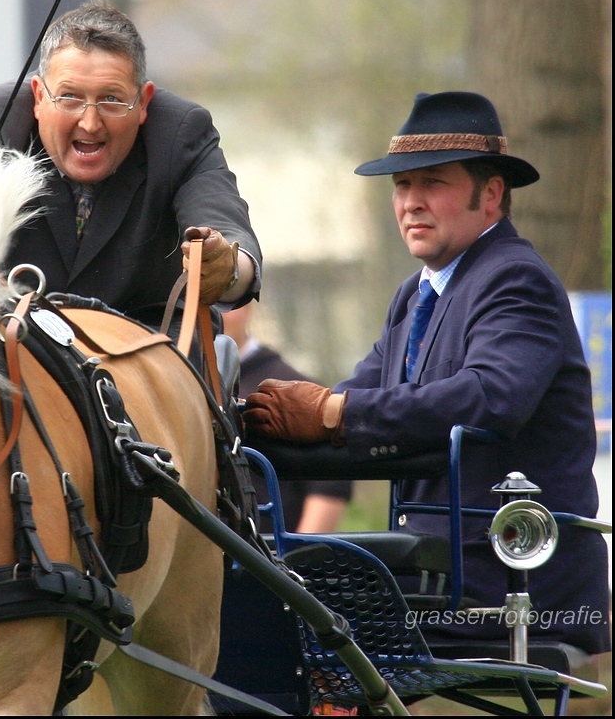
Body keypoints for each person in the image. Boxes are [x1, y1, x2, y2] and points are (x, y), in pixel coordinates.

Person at [243, 91, 610, 656]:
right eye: (401, 186)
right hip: (435, 576)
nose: (410, 203)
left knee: (268, 628)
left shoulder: (516, 279)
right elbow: (356, 396)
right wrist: (242, 420)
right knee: (254, 598)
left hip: (514, 586)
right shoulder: (416, 294)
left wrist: (330, 413)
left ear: (490, 195)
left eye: (432, 183)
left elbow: (491, 396)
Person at [0, 2, 261, 332]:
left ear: (143, 102)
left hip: (147, 349)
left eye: (111, 100)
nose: (90, 123)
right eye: (70, 97)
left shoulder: (181, 131)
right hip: (10, 340)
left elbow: (231, 235)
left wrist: (225, 267)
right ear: (39, 98)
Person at [222, 303, 351, 533]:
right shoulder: (170, 384)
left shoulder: (296, 391)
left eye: (226, 303)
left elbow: (327, 491)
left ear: (248, 305)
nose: (215, 314)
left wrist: (293, 562)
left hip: (269, 558)